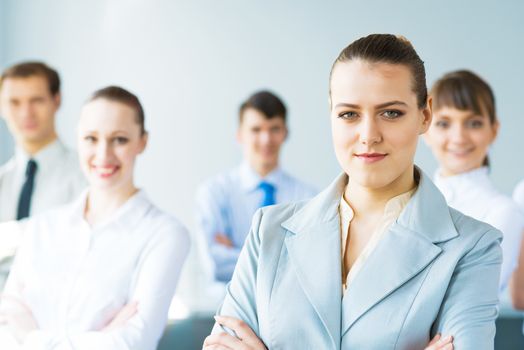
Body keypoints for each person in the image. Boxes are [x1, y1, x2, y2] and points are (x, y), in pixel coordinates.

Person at [204, 34, 502, 350]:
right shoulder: (269, 230)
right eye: (349, 114)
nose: (368, 135)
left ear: (425, 115)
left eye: (391, 113)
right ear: (331, 114)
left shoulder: (473, 248)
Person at [0, 86, 190, 349]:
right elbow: (5, 327)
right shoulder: (42, 227)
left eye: (120, 139)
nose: (103, 154)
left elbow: (132, 342)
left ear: (142, 142)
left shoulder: (165, 235)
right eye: (91, 138)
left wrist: (32, 338)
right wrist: (99, 339)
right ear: (78, 139)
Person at [195, 90, 316, 283]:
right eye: (256, 129)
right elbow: (216, 266)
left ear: (285, 133)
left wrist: (238, 251)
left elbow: (311, 265)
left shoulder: (309, 198)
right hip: (228, 310)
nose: (266, 139)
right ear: (240, 135)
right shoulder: (214, 192)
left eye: (274, 129)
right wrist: (285, 257)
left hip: (287, 312)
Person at [423, 69, 524, 297]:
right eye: (444, 123)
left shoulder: (503, 213)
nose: (459, 137)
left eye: (474, 123)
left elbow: (473, 298)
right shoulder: (405, 201)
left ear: (493, 130)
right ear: (425, 128)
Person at [0, 61, 85, 222]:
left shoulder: (85, 176)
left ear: (56, 101)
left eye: (37, 100)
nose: (26, 113)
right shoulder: (2, 181)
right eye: (14, 102)